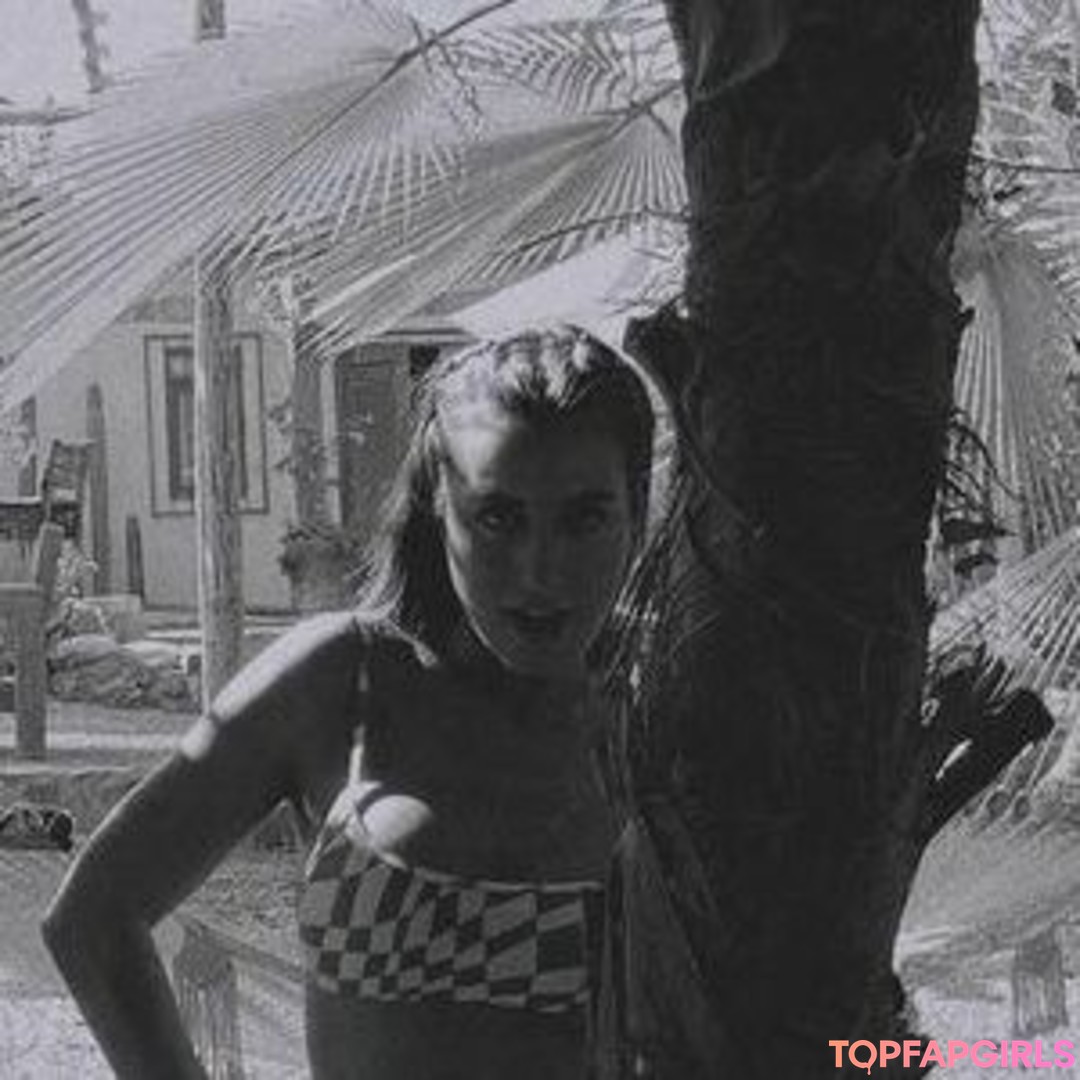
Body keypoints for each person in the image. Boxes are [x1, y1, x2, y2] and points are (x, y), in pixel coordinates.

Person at [42, 324, 656, 1080]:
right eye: (498, 517)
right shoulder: (343, 682)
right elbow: (94, 917)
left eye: (585, 518)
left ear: (637, 514)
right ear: (438, 509)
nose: (540, 570)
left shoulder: (670, 705)